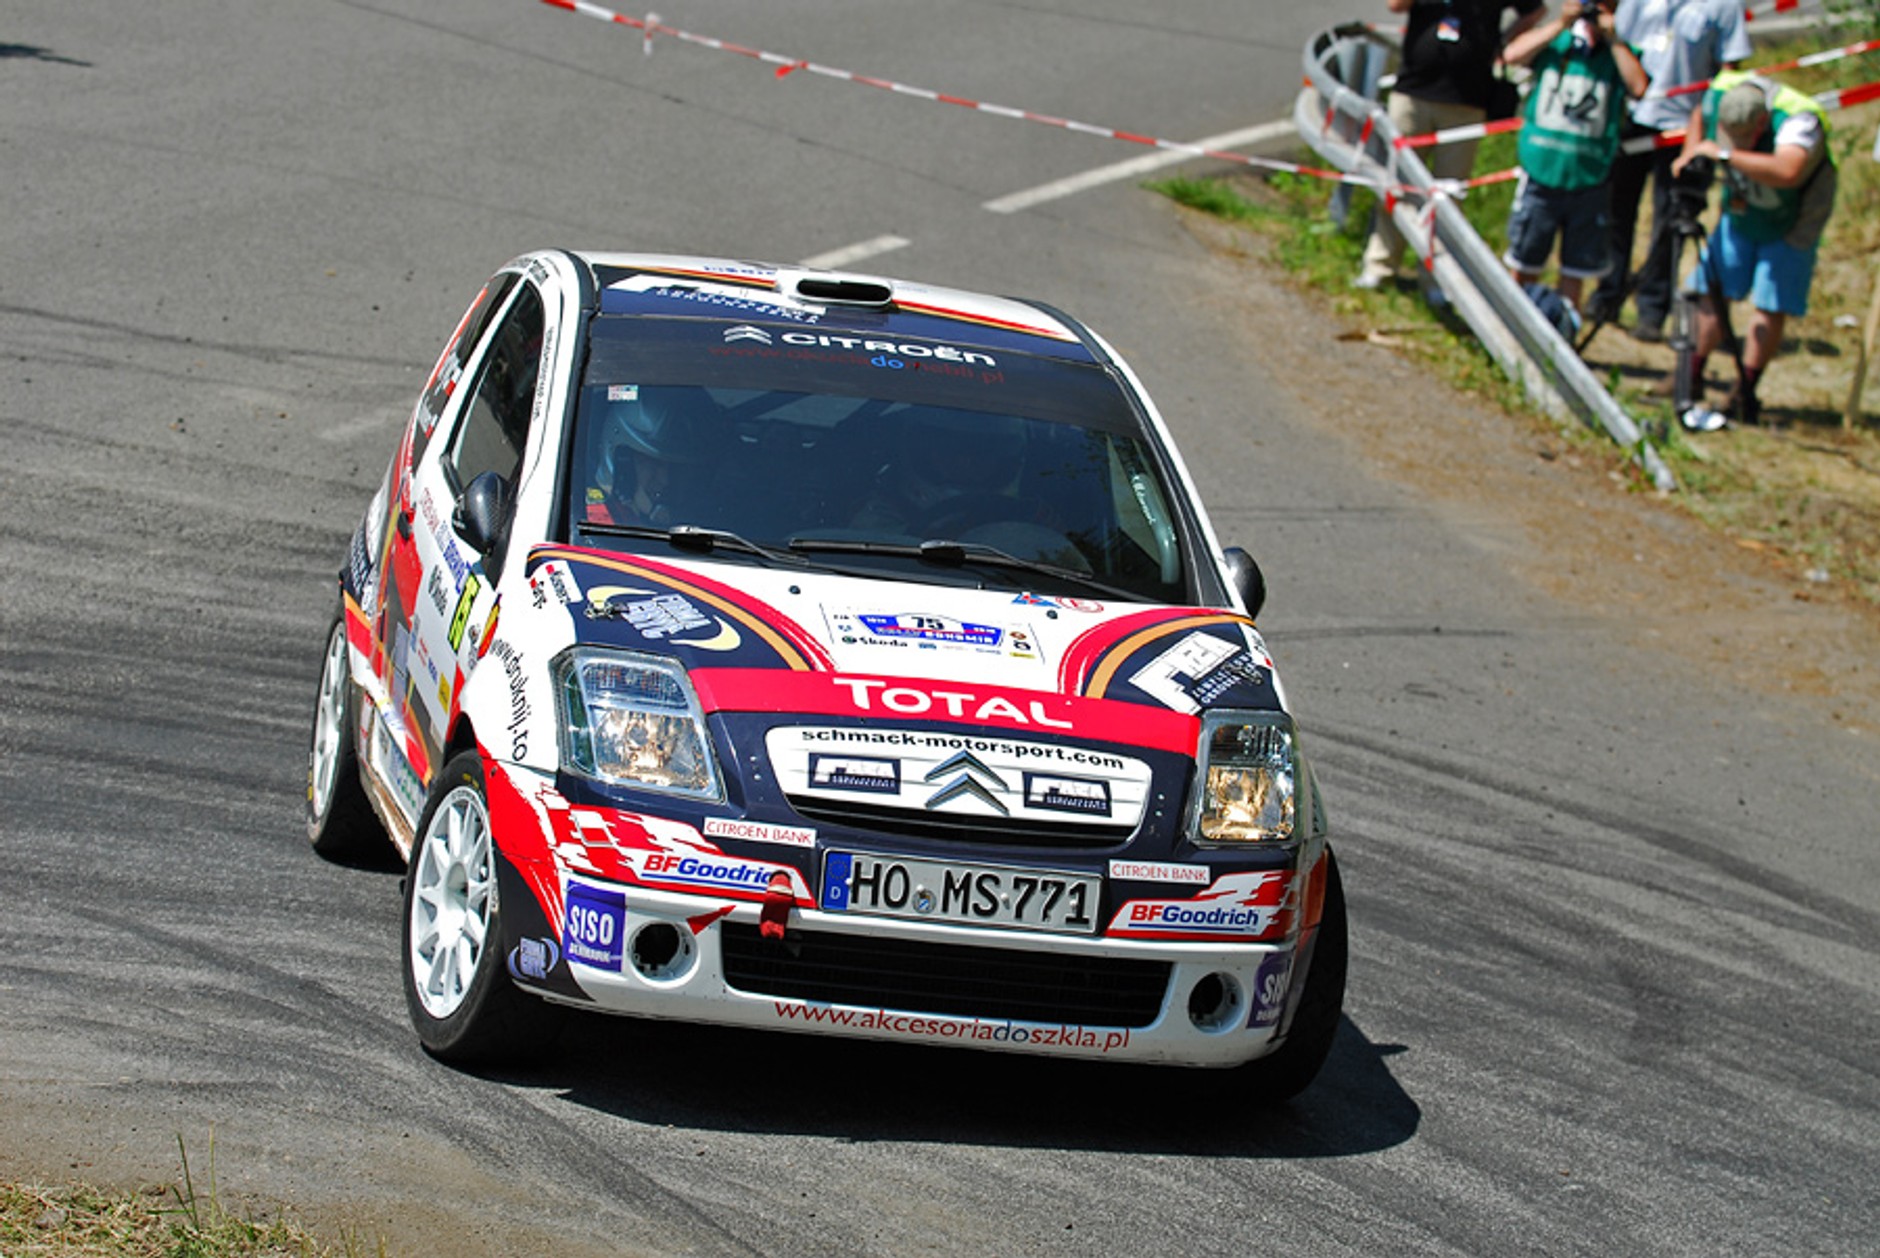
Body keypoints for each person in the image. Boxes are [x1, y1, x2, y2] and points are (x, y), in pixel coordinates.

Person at [1668, 72, 1838, 426]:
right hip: (1743, 211)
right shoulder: (1721, 90)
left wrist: (1725, 154)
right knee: (1713, 289)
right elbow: (1699, 112)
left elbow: (1788, 171)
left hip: (1794, 219)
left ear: (1761, 123)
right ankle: (1690, 375)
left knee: (1770, 303)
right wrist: (1690, 152)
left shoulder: (1798, 121)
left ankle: (1744, 391)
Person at [1587, 0, 1751, 341]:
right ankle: (1608, 294)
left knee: (1670, 221)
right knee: (1616, 211)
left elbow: (1729, 73)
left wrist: (1708, 134)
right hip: (1632, 117)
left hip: (1683, 126)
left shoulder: (1723, 6)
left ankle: (1652, 308)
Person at [1356, 0, 1547, 292]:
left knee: (1447, 197)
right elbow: (1395, 5)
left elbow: (1535, 11)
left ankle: (1433, 277)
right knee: (1396, 184)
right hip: (1413, 91)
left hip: (1467, 101)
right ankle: (1380, 266)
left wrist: (1501, 40)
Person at [1499, 0, 1648, 315]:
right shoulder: (1558, 41)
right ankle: (1512, 323)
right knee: (1525, 262)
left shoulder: (1618, 51)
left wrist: (1613, 38)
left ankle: (1564, 329)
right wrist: (1561, 22)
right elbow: (1512, 55)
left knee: (1576, 271)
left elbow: (1638, 87)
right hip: (1542, 171)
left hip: (1589, 179)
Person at [584, 387, 728, 526]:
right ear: (623, 462)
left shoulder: (715, 526)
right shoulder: (591, 526)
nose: (665, 480)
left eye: (678, 468)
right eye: (653, 464)